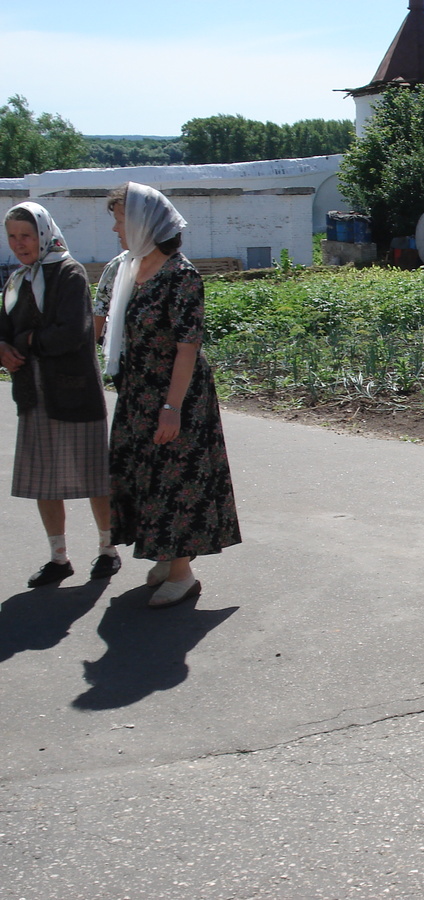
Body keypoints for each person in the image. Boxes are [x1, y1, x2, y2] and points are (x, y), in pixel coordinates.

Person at [101, 182, 240, 608]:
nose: (115, 229)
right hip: (139, 393)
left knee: (173, 480)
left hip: (175, 396)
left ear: (144, 222)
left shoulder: (181, 276)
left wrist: (170, 408)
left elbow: (187, 346)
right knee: (145, 476)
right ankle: (165, 558)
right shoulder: (133, 269)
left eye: (121, 219)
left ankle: (182, 573)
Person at [1, 202, 121, 587]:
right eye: (13, 236)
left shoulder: (69, 273)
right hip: (34, 395)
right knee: (42, 479)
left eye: (27, 235)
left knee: (92, 476)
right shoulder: (18, 279)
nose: (20, 244)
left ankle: (107, 550)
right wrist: (3, 348)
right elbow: (4, 327)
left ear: (44, 233)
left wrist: (25, 340)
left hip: (73, 393)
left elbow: (72, 333)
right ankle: (58, 557)